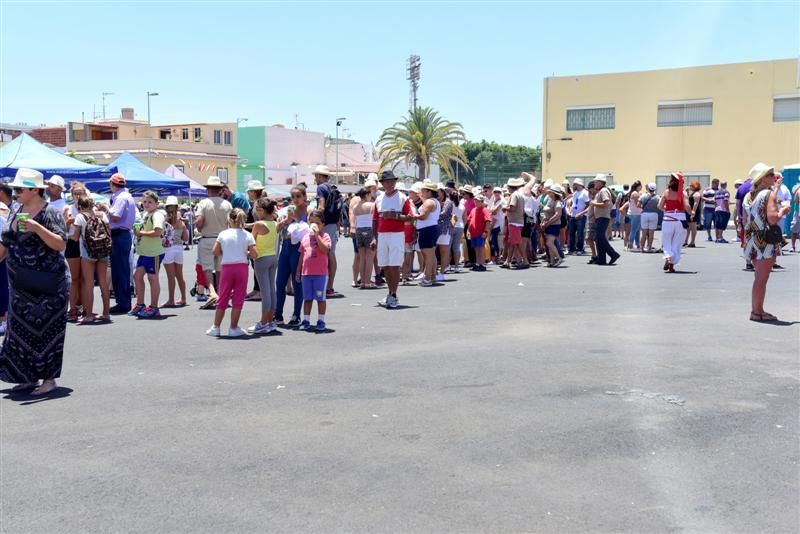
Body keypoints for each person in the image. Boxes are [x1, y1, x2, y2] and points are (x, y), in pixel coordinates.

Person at [0, 168, 68, 395]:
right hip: (21, 284)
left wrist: (36, 227)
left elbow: (60, 244)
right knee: (20, 331)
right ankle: (26, 377)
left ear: (34, 190)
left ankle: (49, 380)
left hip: (49, 284)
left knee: (48, 331)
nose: (15, 193)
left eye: (20, 189)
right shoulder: (16, 210)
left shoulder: (51, 213)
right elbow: (7, 241)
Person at [743, 163, 790, 322]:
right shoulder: (768, 194)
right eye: (771, 175)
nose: (774, 177)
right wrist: (783, 210)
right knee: (761, 279)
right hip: (765, 240)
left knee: (759, 277)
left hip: (752, 239)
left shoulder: (748, 195)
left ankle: (757, 310)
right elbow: (772, 218)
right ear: (763, 178)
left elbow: (745, 219)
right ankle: (757, 311)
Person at [206, 208, 256, 337]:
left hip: (227, 268)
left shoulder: (223, 234)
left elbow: (215, 251)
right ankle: (233, 328)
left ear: (229, 219)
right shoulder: (247, 235)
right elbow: (254, 254)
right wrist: (246, 253)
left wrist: (226, 252)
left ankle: (216, 327)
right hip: (242, 268)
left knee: (223, 297)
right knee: (238, 298)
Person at [372, 171, 413, 309]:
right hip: (382, 235)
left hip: (396, 234)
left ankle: (394, 295)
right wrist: (374, 237)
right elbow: (375, 220)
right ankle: (390, 293)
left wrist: (395, 216)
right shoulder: (379, 199)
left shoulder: (402, 198)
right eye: (386, 181)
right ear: (382, 184)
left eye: (391, 181)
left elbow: (410, 217)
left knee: (394, 265)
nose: (389, 183)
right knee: (385, 266)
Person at [98, 173, 136, 314]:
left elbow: (115, 216)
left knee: (119, 270)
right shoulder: (127, 196)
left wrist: (105, 208)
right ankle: (124, 301)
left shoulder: (120, 198)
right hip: (123, 234)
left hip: (119, 234)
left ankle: (123, 302)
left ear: (112, 185)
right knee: (123, 269)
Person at [71, 195, 112, 324]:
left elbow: (75, 237)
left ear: (80, 207)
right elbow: (108, 233)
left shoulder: (80, 217)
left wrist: (68, 234)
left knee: (88, 283)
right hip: (103, 251)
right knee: (103, 282)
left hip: (88, 253)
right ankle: (106, 313)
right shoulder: (101, 215)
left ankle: (89, 315)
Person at [195, 176, 233, 309]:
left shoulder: (203, 203)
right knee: (220, 270)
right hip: (222, 239)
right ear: (220, 190)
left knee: (207, 269)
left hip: (207, 238)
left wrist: (199, 228)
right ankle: (221, 294)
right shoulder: (227, 204)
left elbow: (199, 221)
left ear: (208, 189)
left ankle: (212, 292)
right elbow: (230, 223)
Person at [275, 186, 309, 326]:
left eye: (298, 197)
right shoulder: (286, 210)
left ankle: (296, 314)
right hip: (286, 247)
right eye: (293, 197)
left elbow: (311, 230)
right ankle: (278, 314)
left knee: (297, 282)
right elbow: (277, 228)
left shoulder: (308, 210)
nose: (295, 200)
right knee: (280, 282)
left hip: (299, 248)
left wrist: (297, 220)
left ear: (304, 196)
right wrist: (285, 221)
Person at [130, 191, 165, 318]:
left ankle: (154, 307)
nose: (146, 204)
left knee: (152, 278)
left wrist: (141, 233)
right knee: (137, 276)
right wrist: (138, 231)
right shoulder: (146, 214)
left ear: (156, 203)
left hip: (153, 253)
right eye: (144, 202)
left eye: (150, 202)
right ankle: (140, 304)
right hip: (144, 252)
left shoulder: (157, 215)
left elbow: (158, 232)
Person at [296, 209, 332, 330]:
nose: (314, 225)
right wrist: (298, 270)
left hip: (320, 274)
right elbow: (302, 255)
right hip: (306, 274)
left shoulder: (325, 236)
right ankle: (306, 320)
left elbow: (325, 250)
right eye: (312, 222)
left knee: (320, 298)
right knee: (307, 298)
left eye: (317, 223)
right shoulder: (305, 237)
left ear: (322, 224)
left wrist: (317, 235)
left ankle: (321, 320)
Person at [248, 198, 279, 334]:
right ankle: (271, 321)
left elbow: (251, 240)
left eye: (257, 210)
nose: (256, 212)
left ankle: (263, 322)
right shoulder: (274, 223)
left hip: (261, 258)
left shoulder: (259, 224)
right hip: (273, 257)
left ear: (262, 210)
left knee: (265, 292)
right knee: (271, 290)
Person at [313, 165, 341, 298]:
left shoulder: (321, 188)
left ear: (319, 176)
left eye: (316, 176)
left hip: (325, 224)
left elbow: (321, 206)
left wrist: (315, 220)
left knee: (324, 253)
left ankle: (324, 286)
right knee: (331, 253)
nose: (315, 178)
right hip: (333, 224)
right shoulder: (332, 188)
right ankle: (330, 286)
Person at [657, 173, 691, 273]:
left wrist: (667, 211)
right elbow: (687, 206)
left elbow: (659, 206)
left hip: (668, 218)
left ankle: (668, 257)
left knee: (666, 241)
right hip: (680, 219)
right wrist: (691, 212)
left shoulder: (666, 192)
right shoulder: (683, 193)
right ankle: (672, 263)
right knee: (677, 242)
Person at [64, 181, 88, 322]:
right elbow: (63, 231)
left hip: (86, 244)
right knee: (74, 279)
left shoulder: (90, 208)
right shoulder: (68, 209)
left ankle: (86, 308)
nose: (78, 196)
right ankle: (72, 309)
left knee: (86, 279)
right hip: (72, 243)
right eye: (76, 193)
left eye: (81, 193)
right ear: (72, 195)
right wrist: (68, 223)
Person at [162, 195, 189, 307]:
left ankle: (171, 299)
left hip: (168, 249)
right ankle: (183, 298)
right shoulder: (181, 223)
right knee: (179, 276)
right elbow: (185, 238)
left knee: (170, 276)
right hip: (179, 249)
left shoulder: (164, 222)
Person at [413, 180, 441, 286]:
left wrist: (413, 215)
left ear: (429, 191)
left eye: (423, 190)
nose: (421, 192)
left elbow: (423, 216)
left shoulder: (429, 202)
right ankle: (432, 276)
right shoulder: (434, 201)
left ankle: (428, 277)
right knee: (431, 254)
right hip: (431, 228)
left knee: (427, 255)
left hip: (427, 229)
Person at [590, 174, 619, 265]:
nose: (595, 183)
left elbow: (606, 203)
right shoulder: (601, 191)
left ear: (600, 182)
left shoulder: (603, 191)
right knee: (599, 238)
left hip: (603, 217)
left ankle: (613, 254)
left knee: (600, 238)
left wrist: (594, 204)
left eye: (596, 181)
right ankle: (601, 259)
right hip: (600, 217)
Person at [352, 188, 376, 289]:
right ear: (367, 195)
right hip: (369, 229)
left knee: (362, 258)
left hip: (359, 230)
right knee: (370, 258)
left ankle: (362, 282)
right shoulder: (372, 205)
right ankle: (367, 282)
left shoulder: (355, 207)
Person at [502, 177, 528, 269]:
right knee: (512, 242)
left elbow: (512, 208)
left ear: (510, 187)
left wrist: (505, 208)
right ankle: (507, 261)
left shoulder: (514, 195)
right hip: (518, 221)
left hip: (514, 222)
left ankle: (525, 261)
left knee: (517, 242)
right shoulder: (520, 195)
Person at [466, 193, 492, 271]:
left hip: (480, 233)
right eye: (475, 201)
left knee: (481, 248)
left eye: (478, 201)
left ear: (482, 202)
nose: (476, 202)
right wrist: (468, 230)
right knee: (476, 249)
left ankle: (482, 264)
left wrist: (485, 231)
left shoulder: (484, 210)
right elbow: (469, 221)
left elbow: (488, 221)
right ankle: (477, 263)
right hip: (474, 233)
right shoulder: (473, 210)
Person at [436, 184, 453, 280]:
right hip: (435, 229)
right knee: (433, 251)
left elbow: (444, 214)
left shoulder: (448, 202)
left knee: (444, 251)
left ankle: (442, 272)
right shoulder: (435, 201)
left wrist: (432, 213)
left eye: (438, 191)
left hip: (444, 229)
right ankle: (433, 272)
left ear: (442, 192)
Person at [568, 178, 590, 254]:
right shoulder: (575, 193)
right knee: (571, 233)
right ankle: (571, 249)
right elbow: (573, 203)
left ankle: (580, 248)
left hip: (581, 216)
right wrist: (571, 209)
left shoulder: (585, 193)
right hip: (573, 215)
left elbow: (588, 204)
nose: (573, 186)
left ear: (579, 185)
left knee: (580, 233)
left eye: (575, 184)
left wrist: (582, 213)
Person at [639, 183, 660, 253]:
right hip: (654, 214)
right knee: (651, 233)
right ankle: (649, 248)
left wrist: (642, 207)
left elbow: (638, 205)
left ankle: (641, 248)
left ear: (648, 188)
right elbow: (660, 206)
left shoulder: (643, 196)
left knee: (644, 233)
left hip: (644, 214)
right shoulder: (657, 197)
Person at [448, 190, 465, 273]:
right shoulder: (462, 205)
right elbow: (465, 218)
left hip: (451, 226)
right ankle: (457, 266)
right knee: (456, 247)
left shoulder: (449, 204)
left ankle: (447, 265)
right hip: (460, 226)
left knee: (448, 247)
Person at [683, 180, 702, 248]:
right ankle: (686, 241)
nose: (690, 186)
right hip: (689, 211)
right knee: (688, 227)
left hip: (693, 212)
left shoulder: (696, 194)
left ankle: (692, 242)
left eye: (691, 185)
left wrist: (693, 213)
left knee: (693, 227)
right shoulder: (693, 193)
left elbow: (695, 204)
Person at [791, 183, 800, 252]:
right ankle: (793, 246)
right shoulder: (797, 186)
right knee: (794, 229)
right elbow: (795, 199)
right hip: (797, 212)